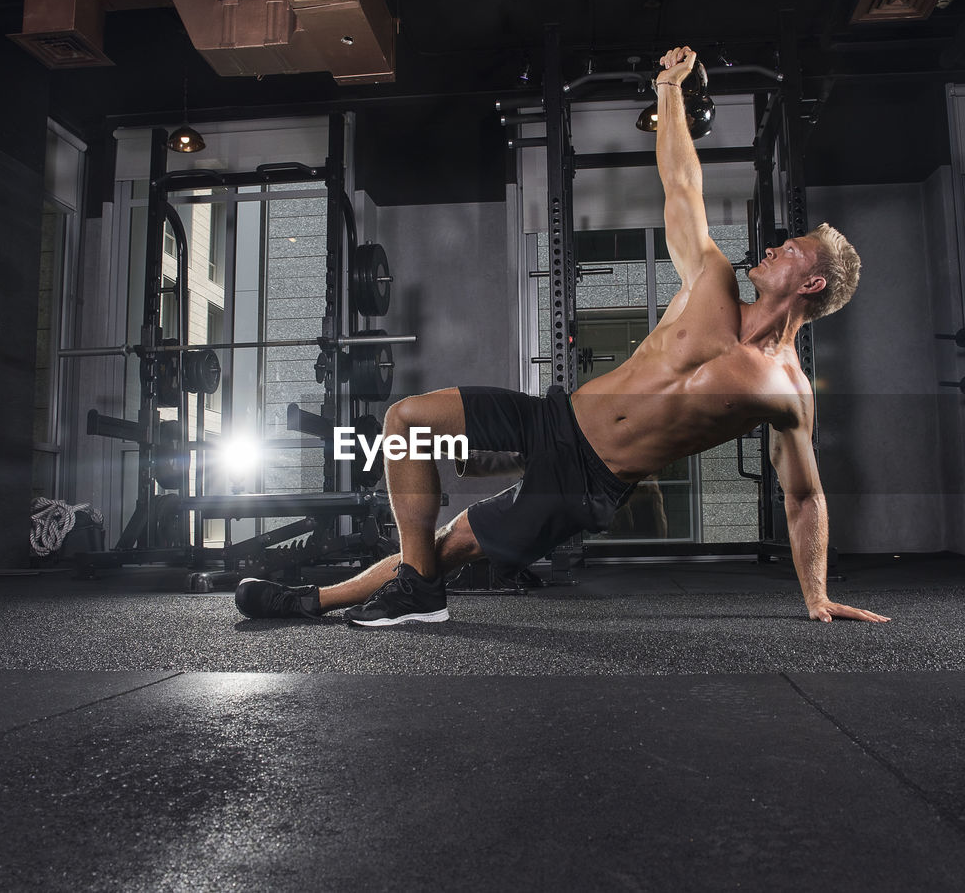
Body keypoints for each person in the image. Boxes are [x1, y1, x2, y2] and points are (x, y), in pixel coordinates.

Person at [236, 45, 890, 628]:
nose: (775, 246)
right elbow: (682, 184)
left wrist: (816, 594)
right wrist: (667, 91)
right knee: (405, 420)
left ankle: (314, 602)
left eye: (791, 250)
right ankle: (418, 592)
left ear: (810, 286)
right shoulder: (711, 279)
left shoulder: (784, 389)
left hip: (584, 483)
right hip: (555, 417)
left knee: (445, 547)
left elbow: (804, 495)